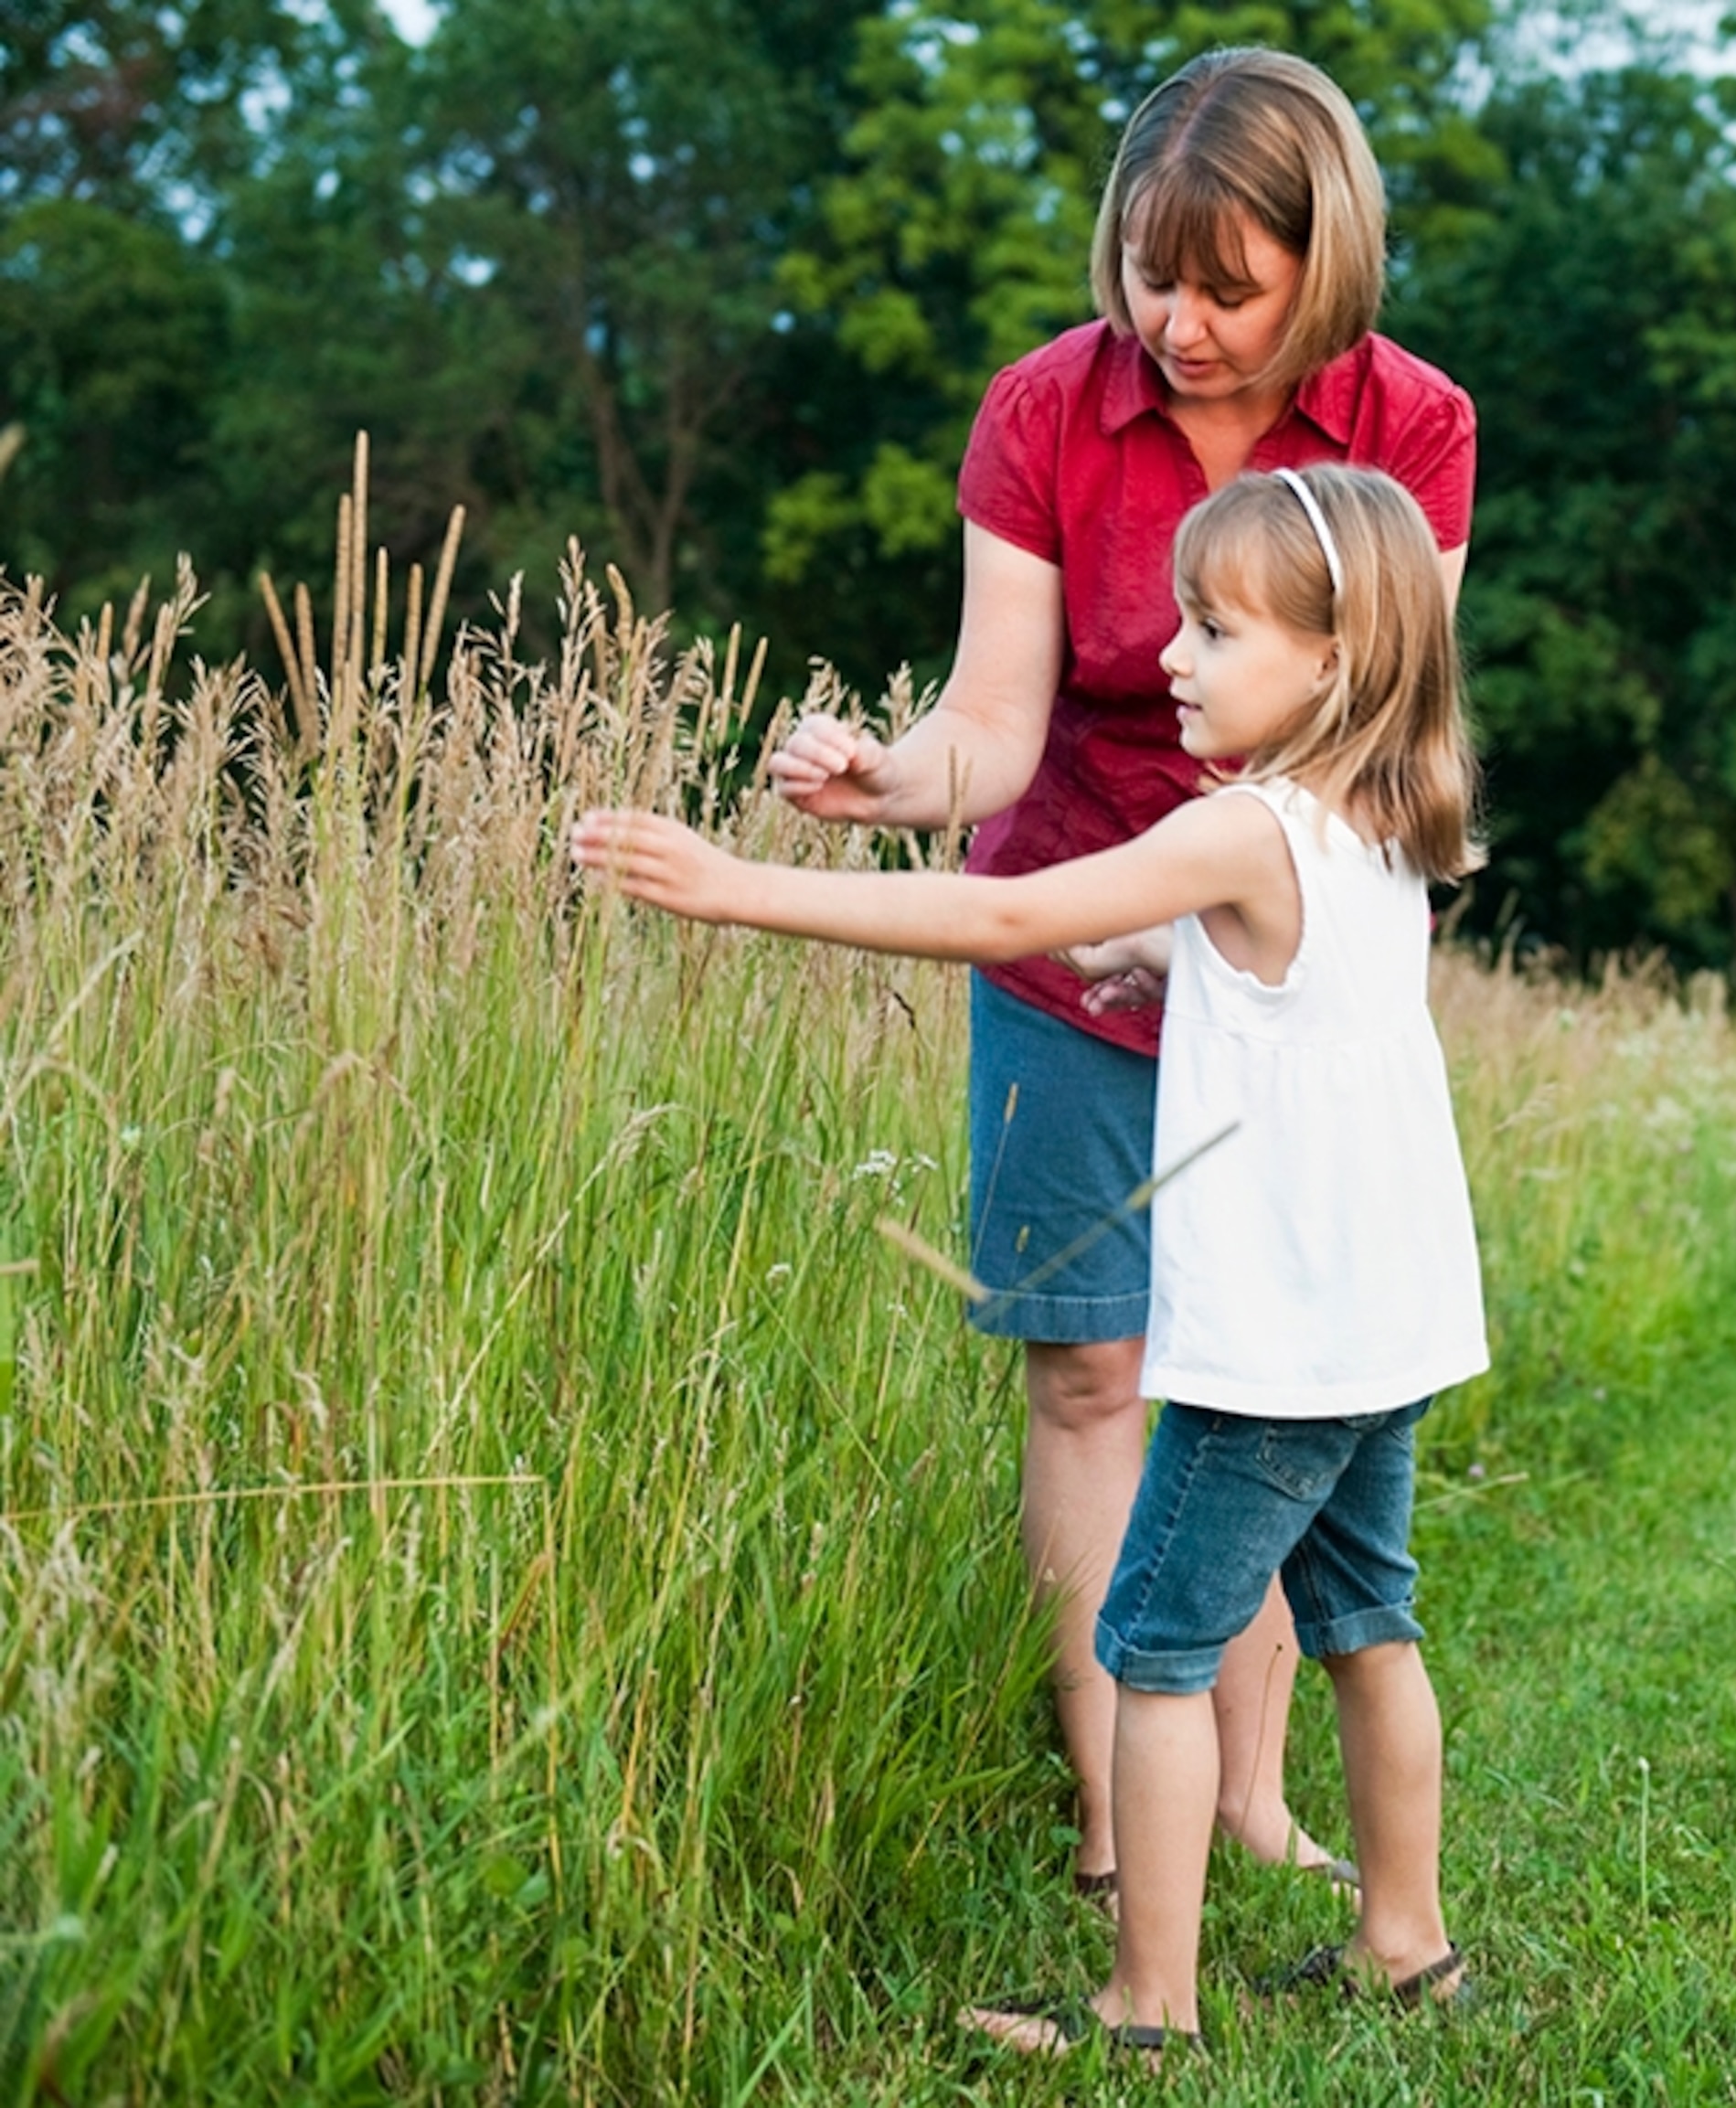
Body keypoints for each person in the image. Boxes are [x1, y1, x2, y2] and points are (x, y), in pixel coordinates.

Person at [574, 463, 1484, 2052]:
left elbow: (1010, 918)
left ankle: (1145, 2009)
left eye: (1214, 628)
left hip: (1273, 1351)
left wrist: (736, 891)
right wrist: (1159, 964)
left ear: (1333, 658)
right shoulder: (1381, 825)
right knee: (1367, 1622)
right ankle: (1405, 1941)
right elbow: (1277, 971)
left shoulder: (1245, 826)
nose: (1167, 658)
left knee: (1152, 1649)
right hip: (1386, 1331)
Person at [761, 48, 1477, 1906]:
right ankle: (1112, 1807)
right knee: (1092, 1371)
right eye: (1153, 275)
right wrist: (883, 783)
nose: (1183, 322)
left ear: (1325, 266)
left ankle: (1246, 1796)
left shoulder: (1414, 424)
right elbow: (987, 731)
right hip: (1062, 952)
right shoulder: (1043, 411)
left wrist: (1213, 929)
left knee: (1253, 1372)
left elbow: (1392, 730)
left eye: (1231, 286)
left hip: (1273, 971)